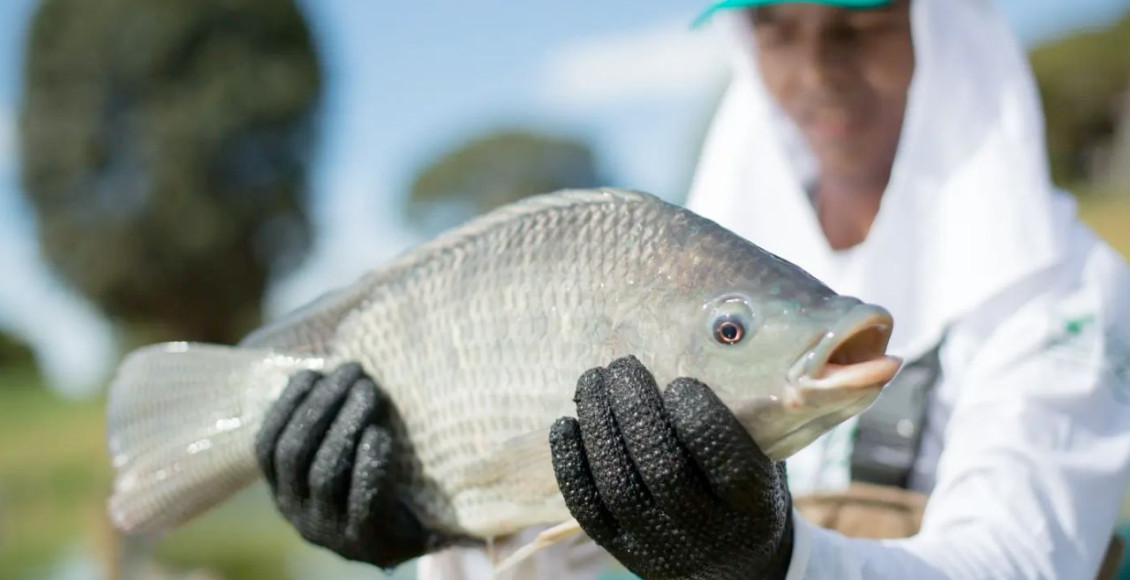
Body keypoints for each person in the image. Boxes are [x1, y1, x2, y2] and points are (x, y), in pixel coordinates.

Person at [253, 0, 1130, 578]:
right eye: (773, 27)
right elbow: (556, 549)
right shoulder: (687, 277)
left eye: (861, 23)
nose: (815, 70)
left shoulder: (1066, 293)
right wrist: (432, 533)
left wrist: (769, 560)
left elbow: (1020, 557)